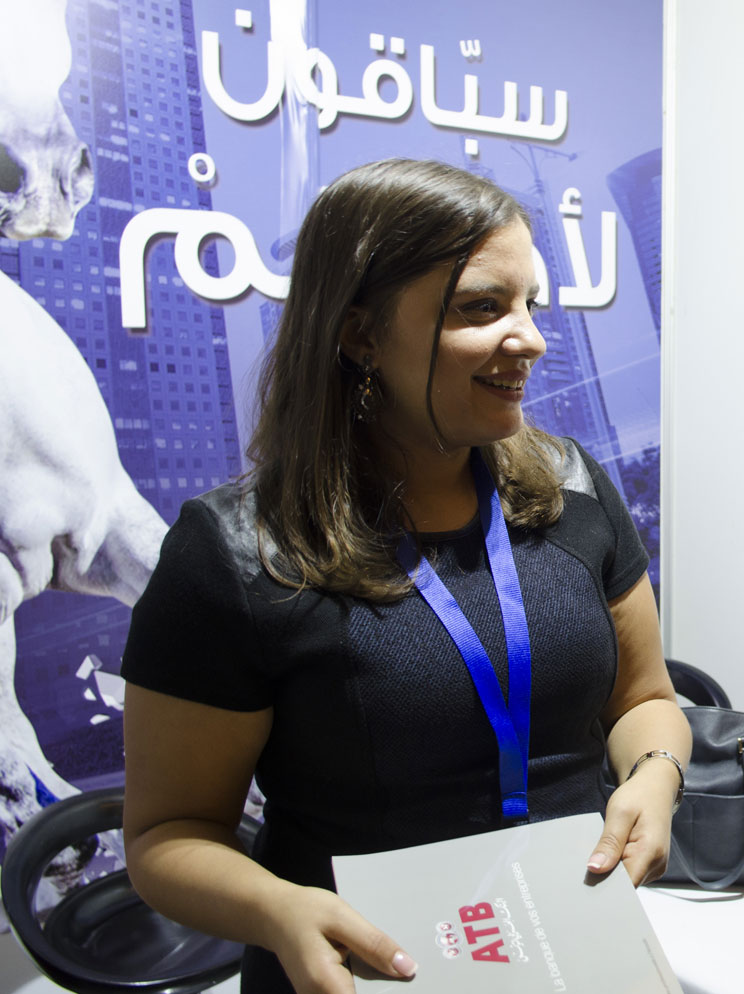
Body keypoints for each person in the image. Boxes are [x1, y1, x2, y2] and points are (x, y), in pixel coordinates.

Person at [120, 158, 691, 994]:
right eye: (482, 308)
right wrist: (278, 910)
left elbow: (645, 700)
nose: (531, 338)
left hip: (570, 951)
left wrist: (657, 773)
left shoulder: (572, 489)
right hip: (366, 974)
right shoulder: (238, 551)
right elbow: (167, 836)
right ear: (360, 335)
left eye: (530, 304)